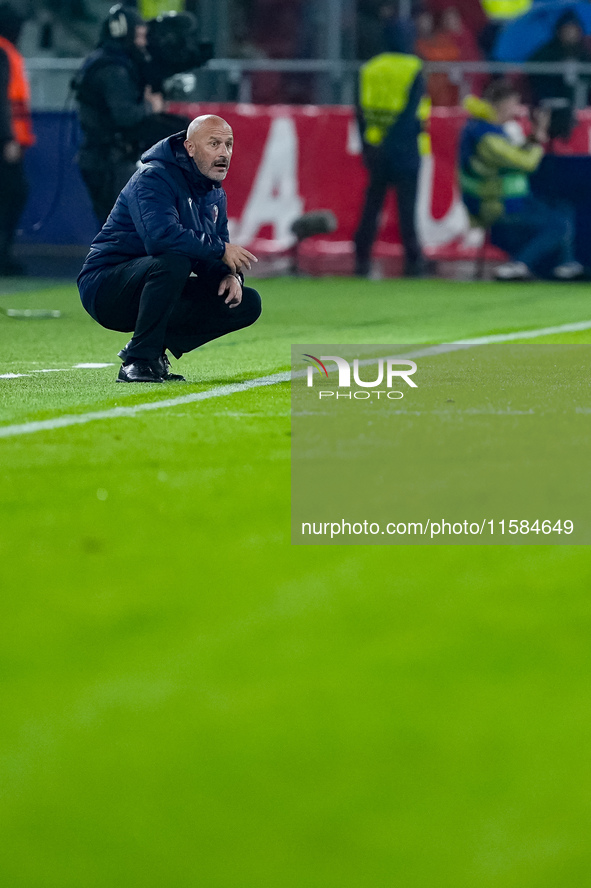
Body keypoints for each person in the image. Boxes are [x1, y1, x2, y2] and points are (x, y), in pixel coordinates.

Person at [77, 114, 262, 383]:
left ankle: (150, 348)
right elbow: (160, 239)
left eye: (229, 144)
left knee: (246, 302)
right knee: (175, 260)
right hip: (106, 288)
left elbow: (210, 256)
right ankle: (138, 362)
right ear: (190, 147)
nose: (224, 153)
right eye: (214, 144)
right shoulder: (154, 178)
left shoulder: (214, 193)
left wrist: (230, 276)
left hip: (157, 285)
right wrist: (221, 249)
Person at [459, 79, 583, 281]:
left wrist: (533, 137)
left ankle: (565, 264)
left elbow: (513, 156)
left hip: (508, 198)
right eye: (514, 104)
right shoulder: (486, 137)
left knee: (563, 209)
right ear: (501, 104)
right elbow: (525, 163)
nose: (517, 111)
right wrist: (539, 137)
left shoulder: (489, 130)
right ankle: (517, 265)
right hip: (493, 204)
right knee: (558, 225)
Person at [73, 3, 164, 226]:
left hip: (100, 158)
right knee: (122, 229)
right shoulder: (114, 70)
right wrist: (151, 106)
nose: (144, 43)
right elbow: (125, 115)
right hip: (109, 162)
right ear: (126, 34)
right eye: (140, 35)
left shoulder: (102, 61)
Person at [354, 19, 430, 277]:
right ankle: (413, 259)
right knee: (406, 208)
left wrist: (368, 144)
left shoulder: (370, 68)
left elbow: (361, 111)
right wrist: (396, 142)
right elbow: (410, 113)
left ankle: (361, 253)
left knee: (372, 204)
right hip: (406, 148)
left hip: (375, 147)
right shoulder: (413, 68)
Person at [0, 3, 35, 276]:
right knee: (13, 194)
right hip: (5, 142)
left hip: (9, 140)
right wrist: (8, 138)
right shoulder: (2, 52)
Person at [529, 10, 591, 141]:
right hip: (554, 102)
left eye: (573, 29)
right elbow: (538, 77)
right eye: (566, 29)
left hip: (582, 101)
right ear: (559, 31)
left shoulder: (584, 54)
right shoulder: (546, 53)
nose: (570, 33)